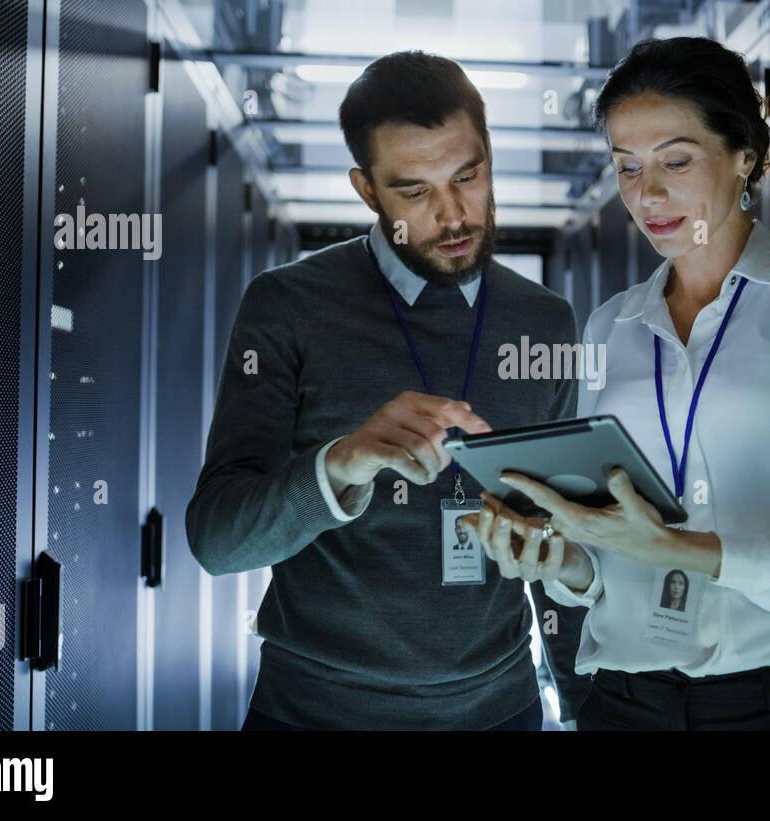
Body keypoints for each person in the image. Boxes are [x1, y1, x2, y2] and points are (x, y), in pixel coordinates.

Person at [461, 36, 770, 731]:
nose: (648, 193)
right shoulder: (610, 327)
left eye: (676, 159)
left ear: (744, 157)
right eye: (627, 166)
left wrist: (681, 550)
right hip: (624, 704)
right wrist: (561, 560)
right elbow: (601, 571)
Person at [186, 50, 589, 730]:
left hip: (500, 710)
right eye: (415, 192)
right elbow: (219, 539)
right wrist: (341, 462)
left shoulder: (544, 322)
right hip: (313, 713)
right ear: (367, 191)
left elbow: (568, 539)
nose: (455, 214)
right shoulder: (286, 306)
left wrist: (586, 711)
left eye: (469, 175)